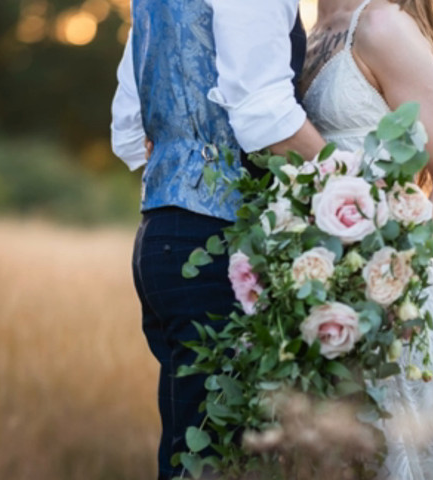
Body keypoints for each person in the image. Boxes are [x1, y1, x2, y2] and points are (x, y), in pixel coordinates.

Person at [110, 1, 326, 478]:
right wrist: (353, 181)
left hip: (162, 236)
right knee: (218, 460)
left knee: (195, 451)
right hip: (215, 243)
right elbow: (265, 114)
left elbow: (129, 131)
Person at [300, 0, 433, 478]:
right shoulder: (306, 30)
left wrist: (395, 275)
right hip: (318, 290)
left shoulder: (381, 25)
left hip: (389, 303)